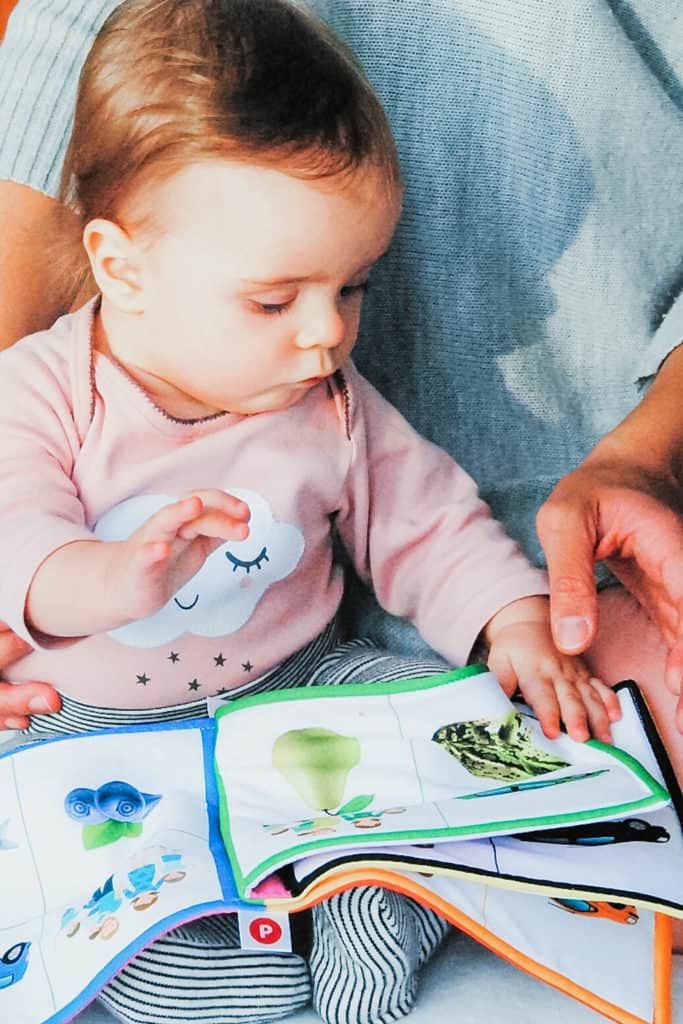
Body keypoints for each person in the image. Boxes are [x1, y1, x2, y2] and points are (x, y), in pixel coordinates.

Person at [1, 0, 683, 965]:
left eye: (350, 288)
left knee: (435, 772)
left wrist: (510, 620)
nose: (325, 333)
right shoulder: (45, 389)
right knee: (117, 891)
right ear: (122, 267)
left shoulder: (329, 401)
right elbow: (14, 531)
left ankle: (375, 916)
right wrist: (112, 580)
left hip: (299, 686)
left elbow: (425, 524)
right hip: (94, 716)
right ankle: (214, 970)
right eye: (275, 299)